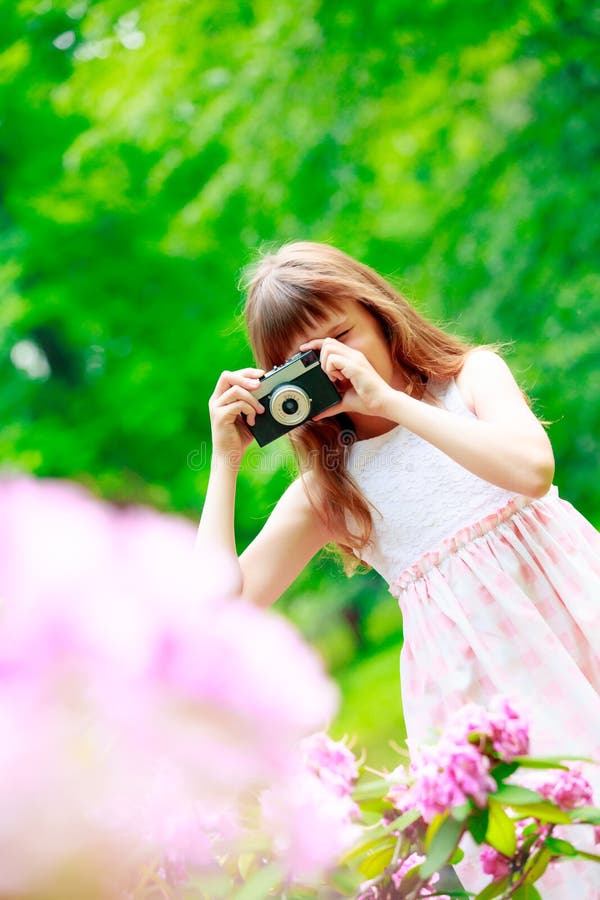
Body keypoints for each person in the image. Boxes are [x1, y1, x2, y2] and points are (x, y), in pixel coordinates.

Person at [198, 241, 600, 896]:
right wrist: (225, 461)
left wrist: (391, 402)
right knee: (564, 858)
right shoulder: (330, 489)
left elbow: (531, 471)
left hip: (578, 622)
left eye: (341, 336)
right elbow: (215, 610)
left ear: (378, 312)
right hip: (484, 694)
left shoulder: (472, 377)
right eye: (302, 362)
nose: (332, 365)